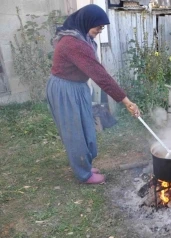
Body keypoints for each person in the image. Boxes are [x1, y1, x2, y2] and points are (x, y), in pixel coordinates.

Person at [47, 4, 140, 184]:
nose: (100, 30)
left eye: (102, 27)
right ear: (86, 21)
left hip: (79, 87)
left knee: (86, 127)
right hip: (65, 90)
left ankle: (86, 164)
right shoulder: (72, 43)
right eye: (98, 26)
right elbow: (100, 75)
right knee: (75, 133)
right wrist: (126, 101)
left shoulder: (84, 37)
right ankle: (84, 174)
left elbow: (95, 70)